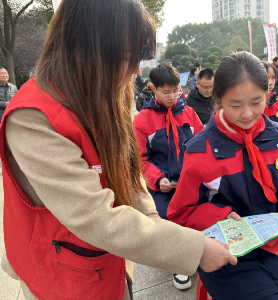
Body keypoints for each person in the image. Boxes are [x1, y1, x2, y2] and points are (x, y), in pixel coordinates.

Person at [0, 1, 237, 300]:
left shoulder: (108, 89)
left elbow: (127, 165)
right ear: (87, 47)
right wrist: (195, 248)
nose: (136, 70)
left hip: (106, 258)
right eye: (128, 57)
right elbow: (94, 216)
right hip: (60, 272)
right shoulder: (33, 117)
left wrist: (149, 214)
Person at [167, 51, 278, 300]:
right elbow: (182, 213)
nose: (247, 114)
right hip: (230, 255)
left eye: (257, 102)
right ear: (218, 98)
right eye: (235, 105)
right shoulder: (200, 150)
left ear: (268, 93)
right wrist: (220, 214)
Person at [132, 62, 205, 289]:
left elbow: (202, 145)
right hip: (161, 186)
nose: (173, 96)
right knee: (171, 218)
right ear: (153, 88)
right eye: (166, 92)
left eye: (176, 90)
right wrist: (157, 179)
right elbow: (139, 159)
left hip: (189, 180)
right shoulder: (143, 120)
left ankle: (200, 253)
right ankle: (179, 264)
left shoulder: (189, 113)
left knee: (203, 209)